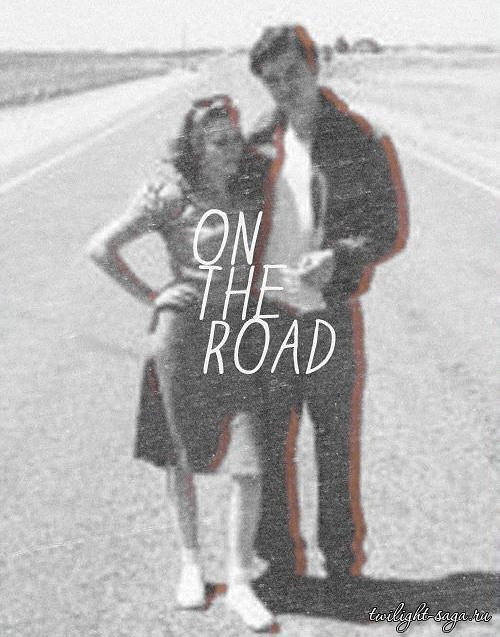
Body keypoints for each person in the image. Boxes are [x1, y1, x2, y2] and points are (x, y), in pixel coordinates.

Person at [86, 95, 275, 632]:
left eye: (236, 138)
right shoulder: (170, 195)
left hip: (240, 332)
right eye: (219, 142)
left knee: (250, 462)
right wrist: (153, 296)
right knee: (181, 457)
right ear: (195, 147)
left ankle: (239, 581)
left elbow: (286, 146)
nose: (233, 149)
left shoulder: (250, 183)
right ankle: (191, 565)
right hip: (183, 335)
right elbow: (100, 248)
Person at [247, 26, 408, 581]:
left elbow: (388, 228)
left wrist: (339, 257)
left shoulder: (359, 139)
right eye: (272, 80)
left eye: (293, 73)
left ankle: (341, 562)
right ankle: (278, 560)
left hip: (329, 318)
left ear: (316, 68)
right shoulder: (256, 143)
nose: (284, 87)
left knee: (335, 446)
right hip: (268, 319)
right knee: (269, 447)